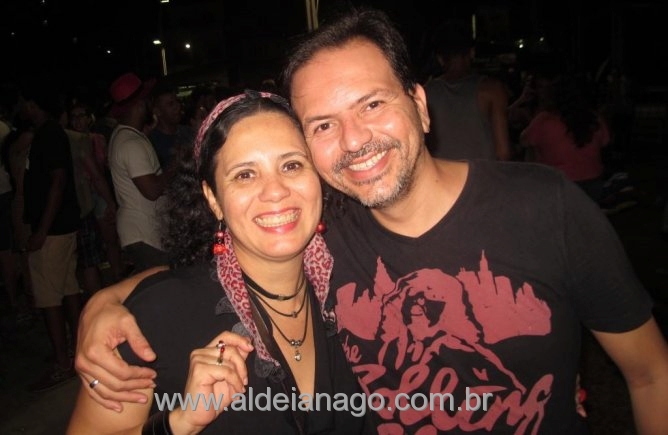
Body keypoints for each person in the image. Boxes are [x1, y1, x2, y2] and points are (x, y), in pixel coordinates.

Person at [75, 8, 668, 435]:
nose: (355, 140)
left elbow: (650, 375)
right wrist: (108, 303)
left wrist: (109, 297)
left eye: (373, 104)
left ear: (420, 103)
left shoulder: (546, 207)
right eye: (324, 124)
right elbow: (219, 271)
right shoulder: (330, 237)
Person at [67, 90, 374, 434]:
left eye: (291, 165)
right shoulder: (157, 316)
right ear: (213, 199)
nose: (275, 191)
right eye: (245, 174)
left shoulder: (355, 283)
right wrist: (178, 424)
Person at [107, 72, 170, 273]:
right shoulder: (131, 143)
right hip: (144, 234)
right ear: (140, 105)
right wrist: (176, 165)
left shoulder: (125, 136)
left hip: (141, 232)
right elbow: (151, 190)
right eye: (148, 100)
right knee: (161, 287)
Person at [424, 18, 511, 161]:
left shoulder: (425, 93)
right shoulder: (492, 90)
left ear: (440, 58)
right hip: (481, 174)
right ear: (471, 52)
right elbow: (503, 152)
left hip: (440, 174)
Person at [520, 73, 610, 203]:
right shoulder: (595, 118)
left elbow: (524, 141)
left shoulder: (545, 120)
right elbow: (605, 141)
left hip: (558, 184)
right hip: (593, 183)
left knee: (531, 149)